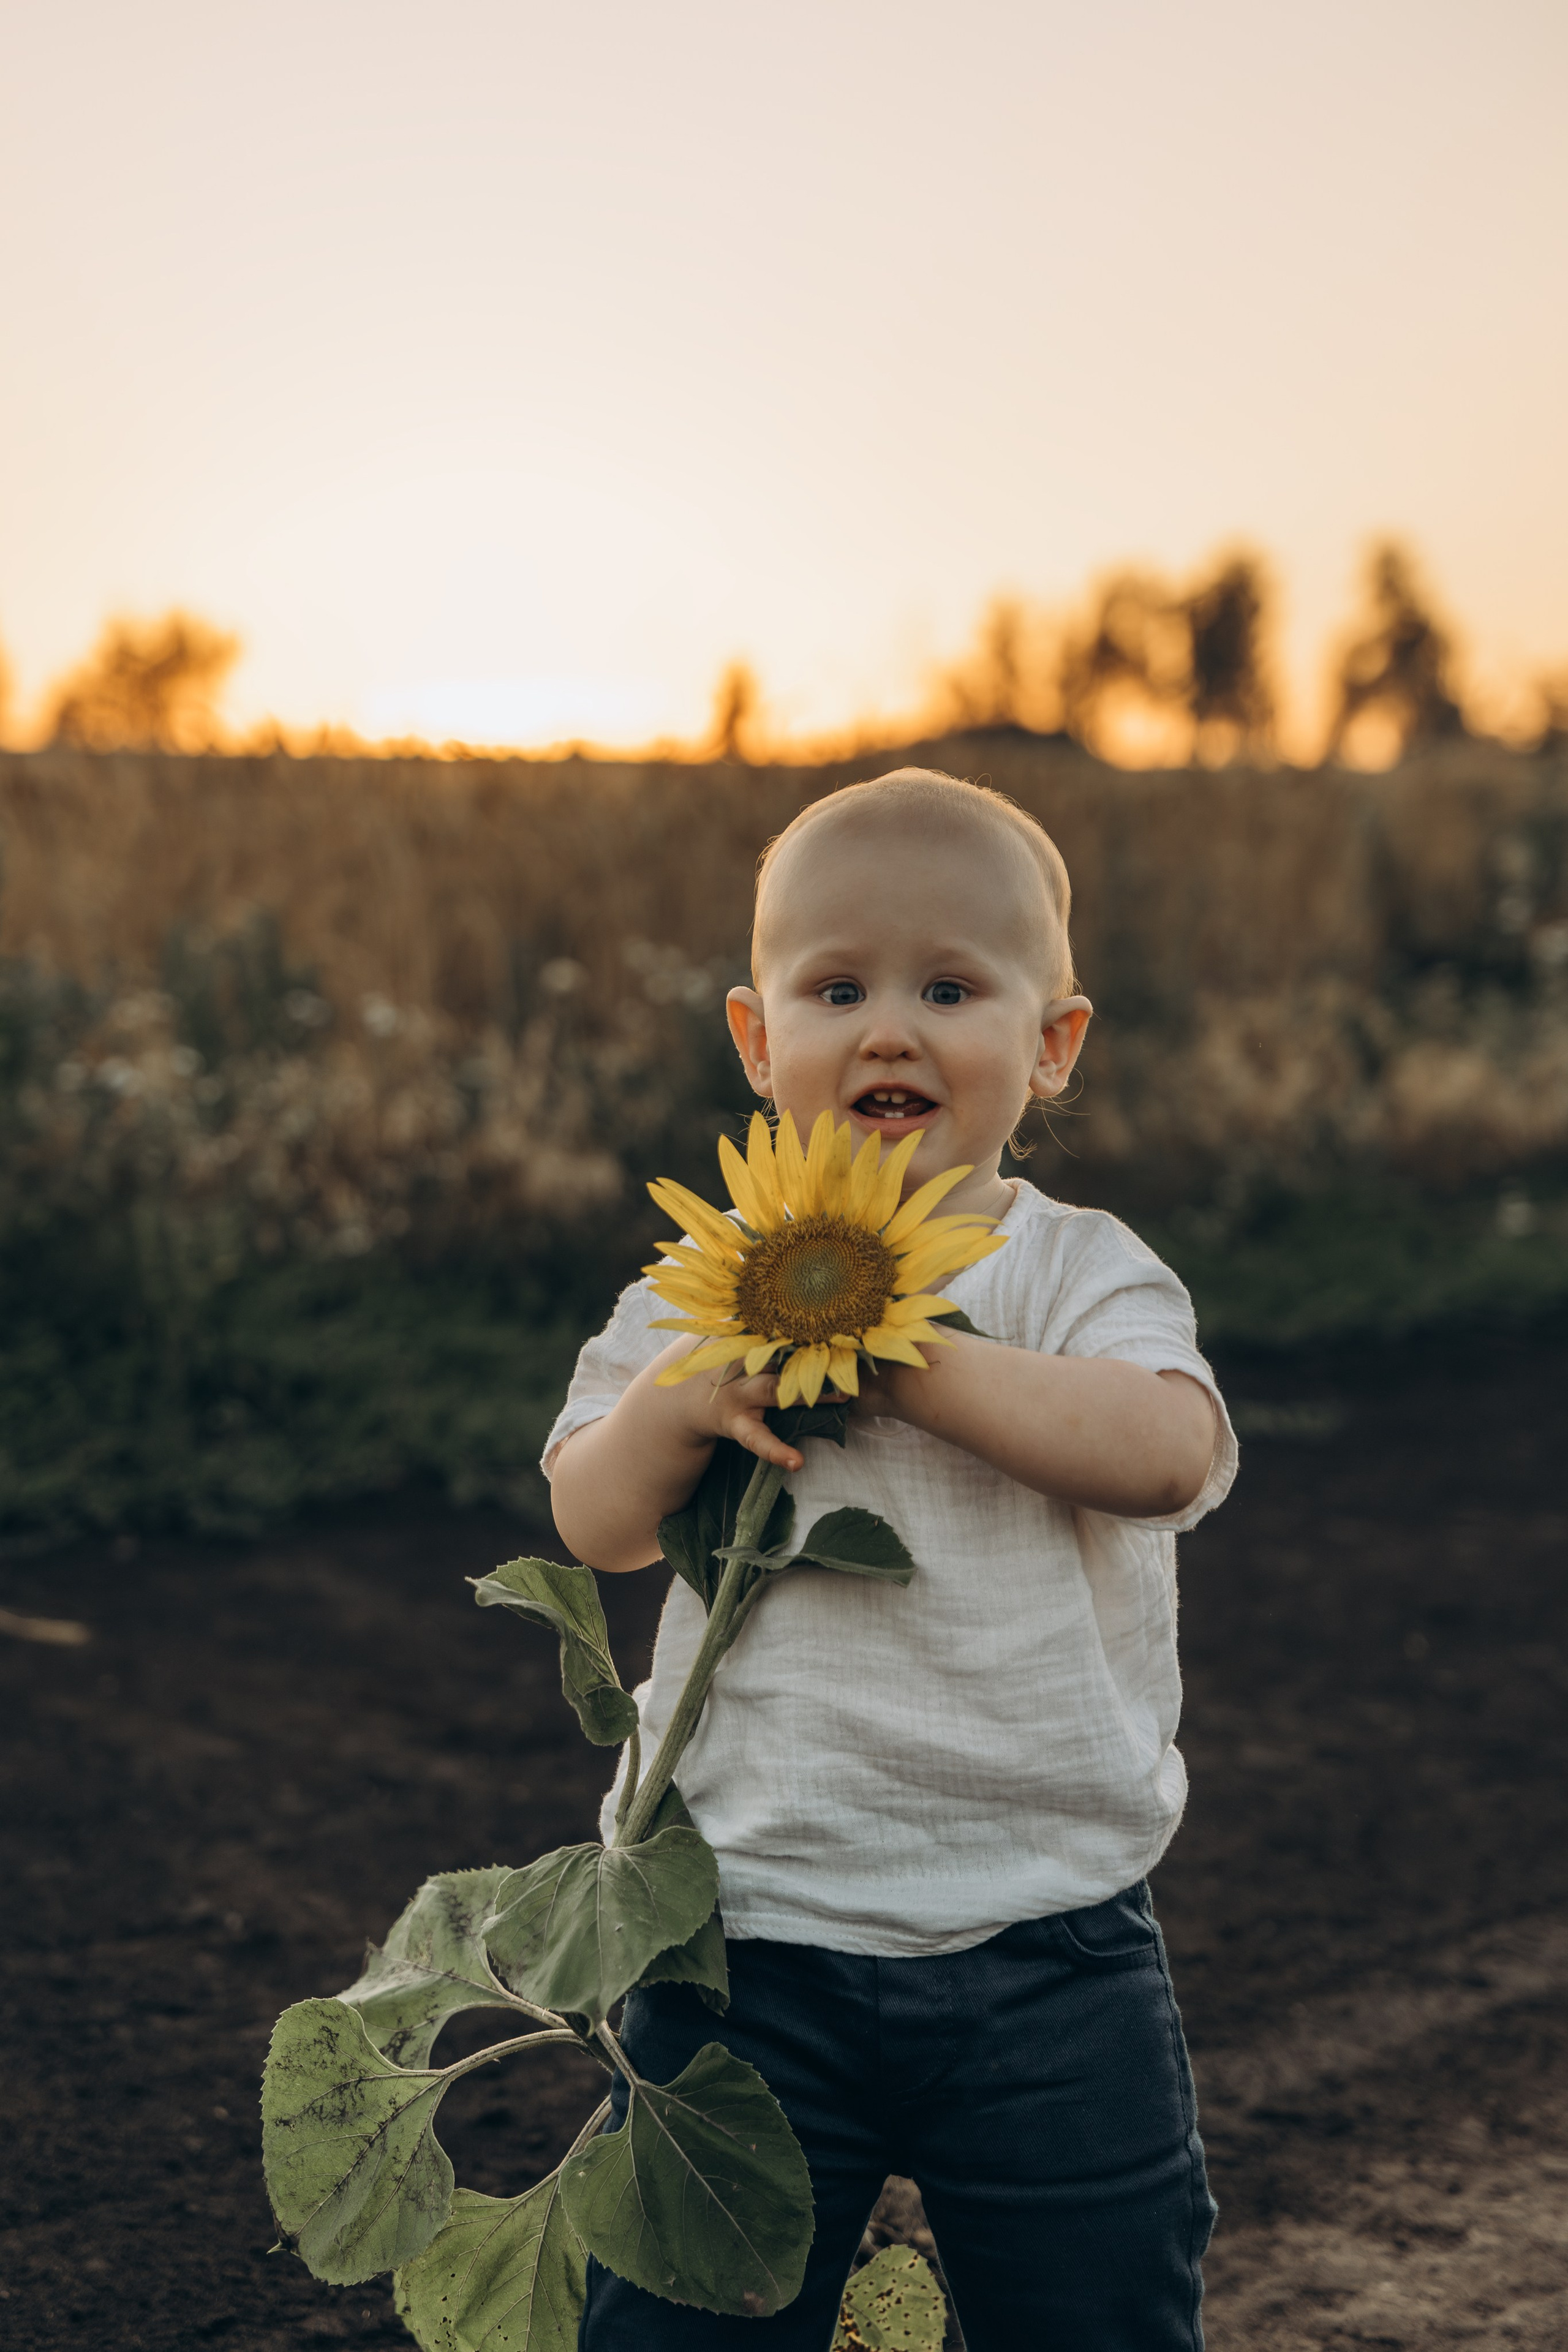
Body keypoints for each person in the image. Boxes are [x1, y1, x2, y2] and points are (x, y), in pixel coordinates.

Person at [548, 767, 1236, 2351]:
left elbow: (1166, 1453)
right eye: (839, 989)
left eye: (950, 989)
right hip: (744, 1935)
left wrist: (900, 1345)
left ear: (1053, 1042)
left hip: (1050, 1940)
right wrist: (685, 1401)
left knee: (1099, 2315)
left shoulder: (1075, 1272)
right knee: (684, 2313)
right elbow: (597, 1521)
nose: (889, 1033)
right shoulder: (708, 1282)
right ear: (757, 1039)